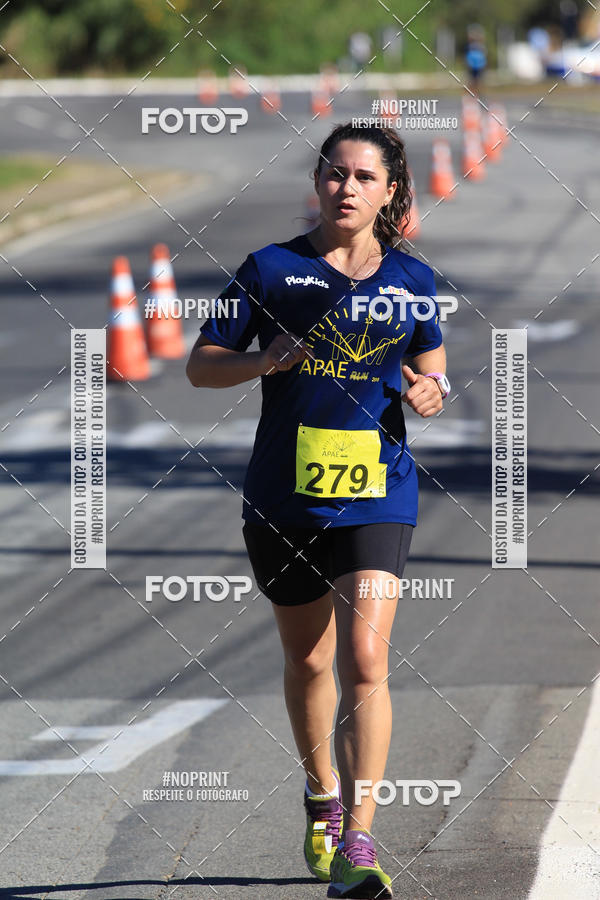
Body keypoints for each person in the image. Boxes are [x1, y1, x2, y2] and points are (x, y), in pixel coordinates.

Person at [186, 122, 449, 899]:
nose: (347, 188)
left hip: (379, 489)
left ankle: (361, 841)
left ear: (390, 192)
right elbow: (202, 365)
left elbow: (431, 376)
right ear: (318, 181)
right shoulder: (271, 269)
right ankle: (320, 796)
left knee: (366, 661)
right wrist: (259, 360)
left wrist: (430, 393)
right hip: (284, 495)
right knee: (308, 660)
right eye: (335, 174)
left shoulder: (413, 279)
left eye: (365, 177)